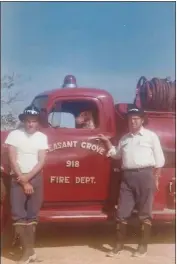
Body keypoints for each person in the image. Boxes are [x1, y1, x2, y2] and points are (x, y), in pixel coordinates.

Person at [97, 107, 165, 257]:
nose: (133, 121)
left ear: (142, 120)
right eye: (130, 119)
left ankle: (142, 247)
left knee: (145, 213)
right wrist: (107, 142)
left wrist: (157, 178)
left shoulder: (150, 136)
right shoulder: (125, 139)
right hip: (127, 177)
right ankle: (119, 246)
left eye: (136, 118)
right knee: (122, 212)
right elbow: (116, 155)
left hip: (145, 176)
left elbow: (159, 159)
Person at [5, 105, 48, 264]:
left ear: (38, 122)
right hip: (17, 178)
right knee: (18, 215)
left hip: (35, 179)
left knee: (32, 216)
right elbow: (12, 158)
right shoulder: (14, 135)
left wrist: (28, 178)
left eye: (34, 121)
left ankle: (30, 253)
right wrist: (22, 179)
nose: (31, 124)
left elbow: (41, 161)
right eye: (28, 121)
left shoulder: (42, 137)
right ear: (24, 121)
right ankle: (28, 252)